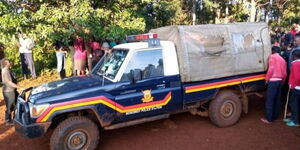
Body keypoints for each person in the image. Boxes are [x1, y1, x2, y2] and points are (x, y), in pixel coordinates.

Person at [261, 46, 287, 124]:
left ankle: (269, 119)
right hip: (280, 81)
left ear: (272, 51)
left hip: (273, 81)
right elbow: (285, 73)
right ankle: (275, 116)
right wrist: (283, 81)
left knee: (270, 100)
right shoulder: (282, 60)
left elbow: (271, 68)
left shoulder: (272, 57)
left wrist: (267, 79)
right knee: (277, 99)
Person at [1, 59, 24, 125]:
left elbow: (14, 80)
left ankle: (15, 118)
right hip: (8, 91)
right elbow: (9, 82)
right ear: (5, 64)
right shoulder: (5, 71)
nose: (11, 62)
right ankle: (8, 120)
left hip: (12, 90)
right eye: (9, 62)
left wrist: (18, 86)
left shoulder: (9, 70)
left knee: (17, 103)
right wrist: (20, 87)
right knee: (10, 106)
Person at [285, 50, 300, 127]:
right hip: (298, 87)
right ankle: (293, 118)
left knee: (294, 104)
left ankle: (295, 121)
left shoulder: (295, 64)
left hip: (296, 88)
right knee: (297, 104)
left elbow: (297, 77)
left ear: (294, 56)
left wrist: (292, 85)